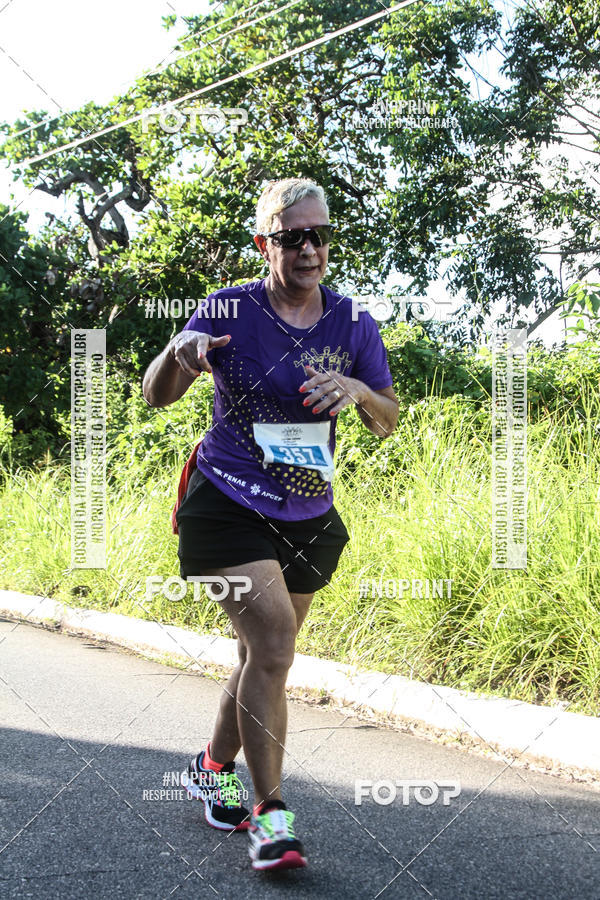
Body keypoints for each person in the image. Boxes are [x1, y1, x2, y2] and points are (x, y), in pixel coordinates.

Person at [142, 177, 398, 872]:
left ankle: (210, 765)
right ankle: (272, 816)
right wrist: (179, 355)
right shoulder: (229, 307)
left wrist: (359, 392)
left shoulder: (352, 323)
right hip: (227, 500)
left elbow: (388, 418)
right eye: (294, 237)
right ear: (266, 244)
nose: (311, 248)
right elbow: (154, 394)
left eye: (320, 235)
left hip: (308, 511)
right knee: (277, 643)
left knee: (264, 658)